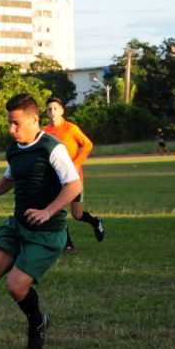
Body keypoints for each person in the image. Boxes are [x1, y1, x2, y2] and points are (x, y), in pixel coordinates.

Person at [0, 93, 82, 349]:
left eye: (16, 123)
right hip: (17, 225)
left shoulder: (52, 148)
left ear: (34, 119)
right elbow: (10, 177)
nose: (11, 129)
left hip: (47, 231)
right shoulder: (14, 149)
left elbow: (74, 186)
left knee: (16, 288)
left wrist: (48, 210)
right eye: (9, 123)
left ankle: (38, 322)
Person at [43, 97, 105, 252]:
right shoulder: (44, 132)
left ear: (62, 110)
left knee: (77, 214)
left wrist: (76, 163)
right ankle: (68, 244)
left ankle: (95, 222)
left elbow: (87, 144)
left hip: (73, 178)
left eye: (55, 108)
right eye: (49, 109)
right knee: (57, 210)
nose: (52, 112)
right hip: (55, 178)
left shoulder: (70, 128)